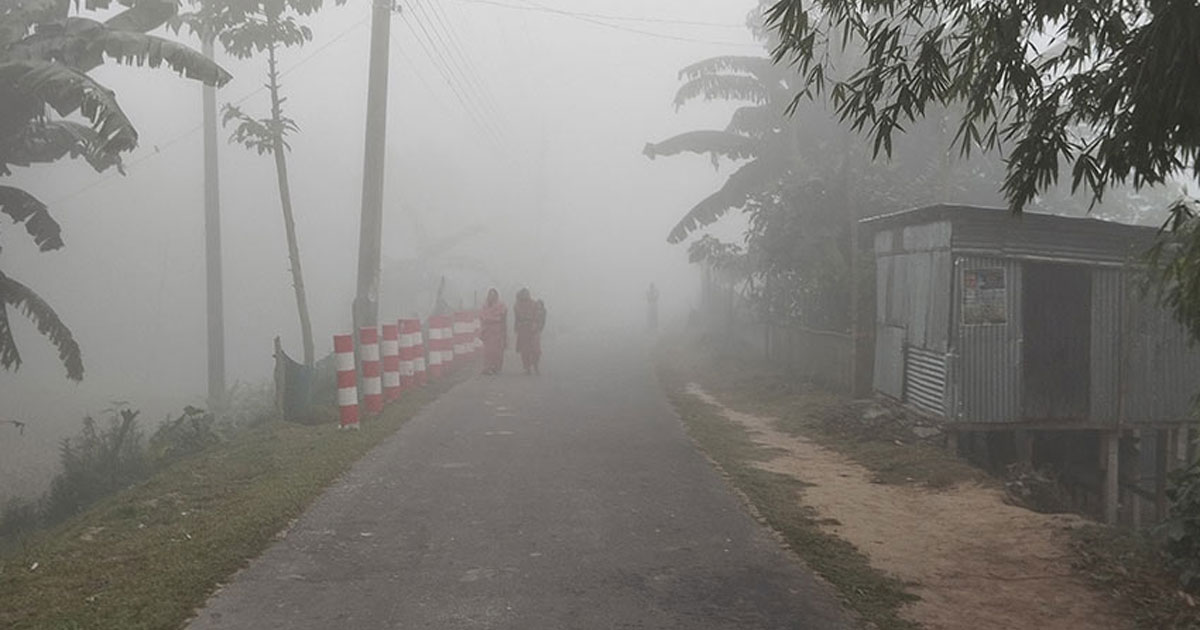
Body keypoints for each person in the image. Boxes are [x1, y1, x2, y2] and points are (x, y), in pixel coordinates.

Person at [479, 288, 507, 374]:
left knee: (497, 350)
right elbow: (482, 317)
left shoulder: (501, 305)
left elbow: (502, 317)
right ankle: (487, 367)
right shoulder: (484, 306)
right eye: (490, 295)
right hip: (487, 331)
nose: (492, 297)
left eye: (493, 295)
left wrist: (492, 319)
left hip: (497, 331)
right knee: (487, 350)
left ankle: (496, 367)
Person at [513, 288, 540, 375]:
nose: (525, 295)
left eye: (526, 293)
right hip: (523, 329)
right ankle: (527, 367)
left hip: (533, 329)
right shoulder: (517, 305)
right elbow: (517, 318)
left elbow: (538, 315)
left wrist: (535, 324)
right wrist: (516, 327)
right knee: (525, 350)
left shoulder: (534, 304)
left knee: (536, 350)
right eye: (523, 294)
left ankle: (535, 365)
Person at [533, 299, 547, 374]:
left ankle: (536, 365)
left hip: (536, 332)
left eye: (540, 304)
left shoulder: (543, 312)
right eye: (537, 304)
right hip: (530, 332)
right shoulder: (532, 312)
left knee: (537, 350)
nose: (538, 306)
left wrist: (538, 328)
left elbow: (543, 322)